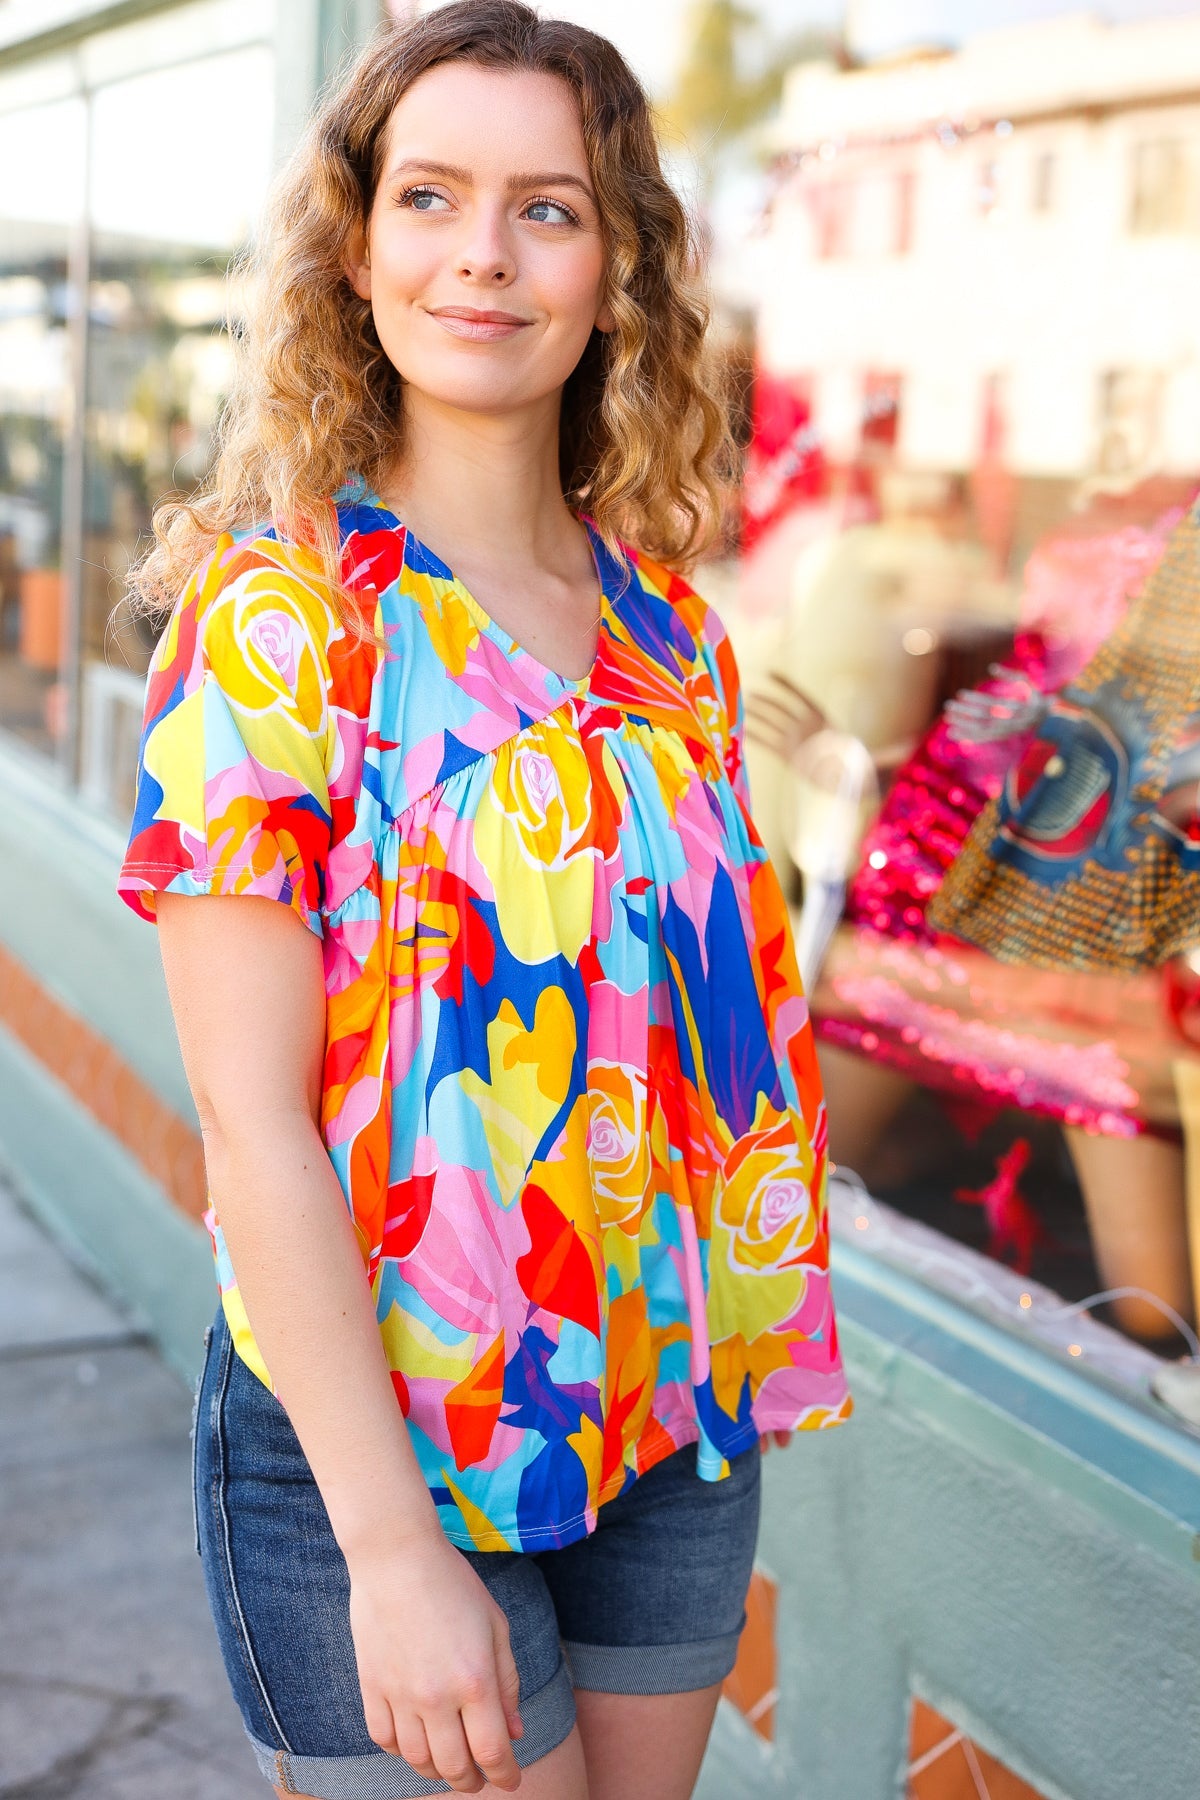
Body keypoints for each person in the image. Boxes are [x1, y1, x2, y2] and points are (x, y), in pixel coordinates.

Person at [118, 6, 850, 1796]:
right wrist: (388, 1548)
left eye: (549, 208)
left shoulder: (671, 632)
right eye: (432, 196)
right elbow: (252, 1121)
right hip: (368, 1445)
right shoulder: (286, 618)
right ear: (357, 247)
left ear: (617, 271)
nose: (484, 256)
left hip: (666, 1415)